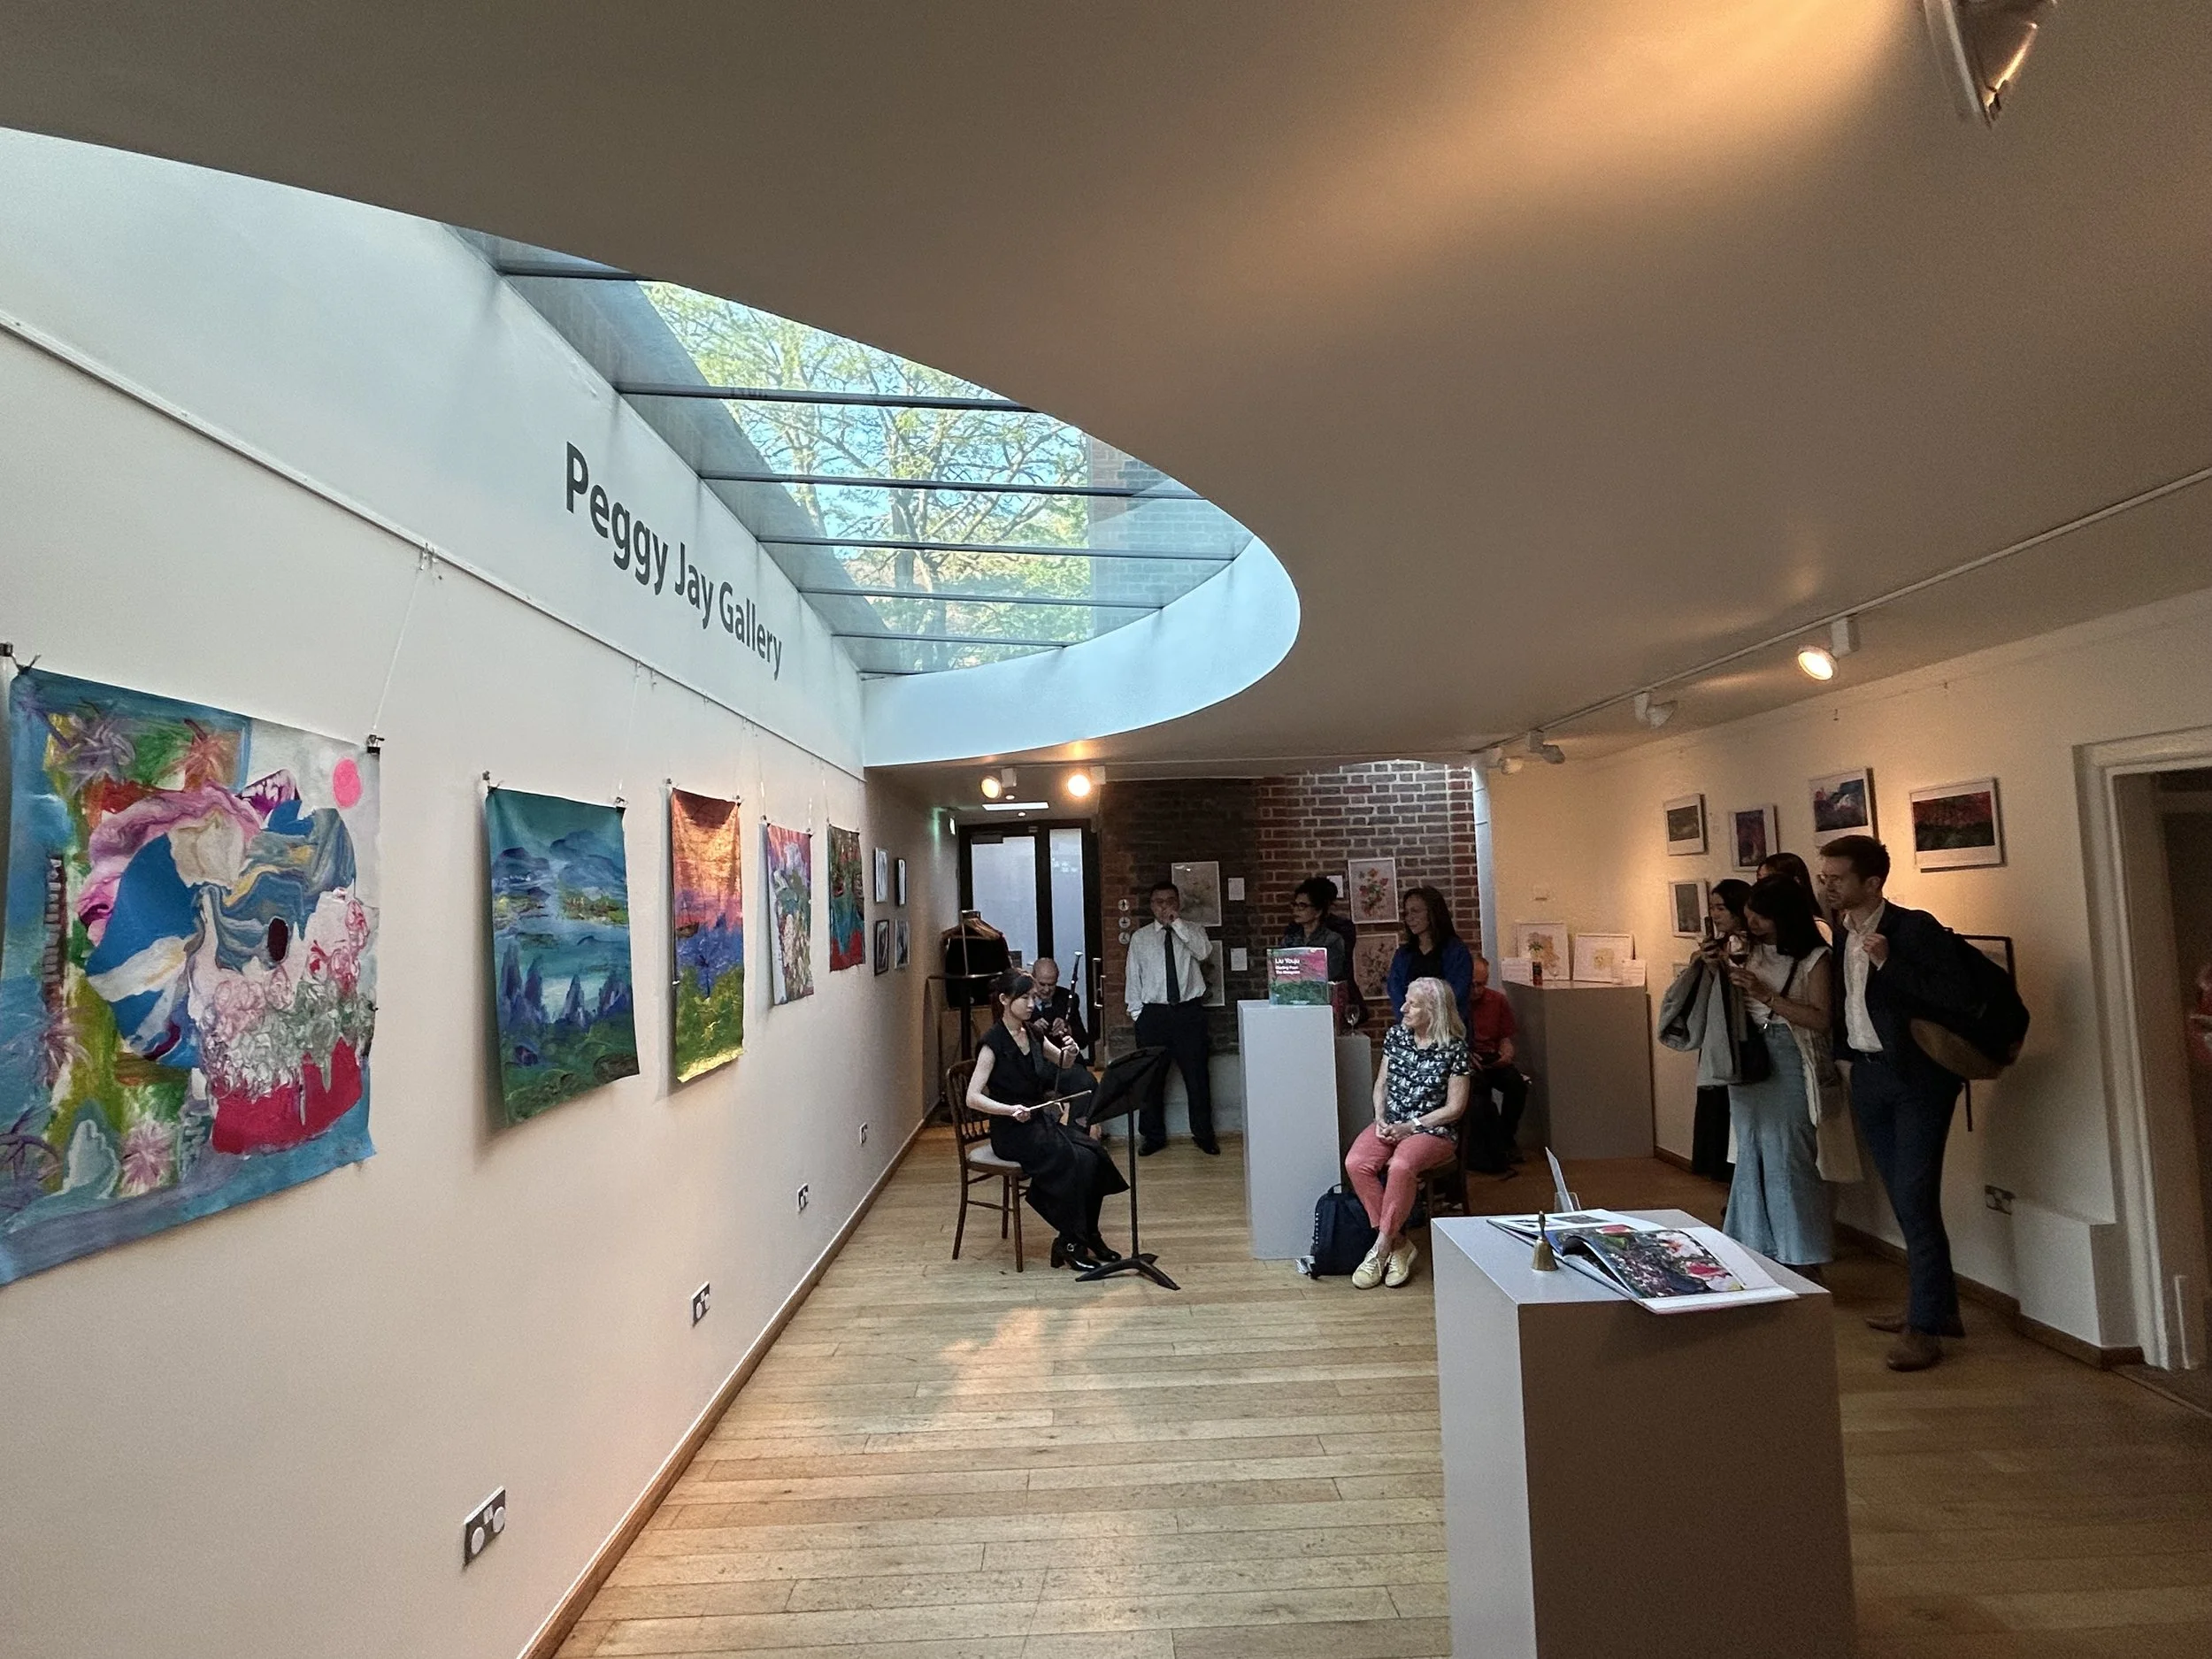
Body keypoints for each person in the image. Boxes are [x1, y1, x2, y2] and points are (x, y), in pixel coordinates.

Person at [1817, 834, 1977, 1371]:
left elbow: (1951, 996)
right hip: (1869, 1076)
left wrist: (1890, 964)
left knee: (1914, 1197)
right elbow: (1847, 1004)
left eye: (1836, 877)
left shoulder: (1916, 928)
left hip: (1917, 1081)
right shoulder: (1842, 933)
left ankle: (1925, 1325)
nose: (1828, 885)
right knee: (1903, 1195)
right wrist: (1843, 1060)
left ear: (1872, 882)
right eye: (1825, 877)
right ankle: (1936, 1307)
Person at [967, 971, 1125, 1271]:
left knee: (1093, 1154)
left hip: (1039, 1123)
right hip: (1012, 1131)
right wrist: (1009, 1109)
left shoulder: (1033, 1034)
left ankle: (1088, 1234)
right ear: (1004, 1000)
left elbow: (1063, 1063)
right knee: (1069, 1158)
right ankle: (1069, 1241)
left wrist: (1071, 1051)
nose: (1031, 1004)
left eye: (1033, 998)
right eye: (1024, 998)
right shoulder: (992, 1043)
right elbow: (972, 1097)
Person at [1718, 876, 1837, 1276]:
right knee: (1750, 1151)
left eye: (1761, 916)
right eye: (1751, 913)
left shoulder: (1814, 956)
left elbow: (1821, 1019)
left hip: (1790, 1055)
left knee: (1790, 1155)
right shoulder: (1741, 948)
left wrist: (1767, 994)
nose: (1751, 922)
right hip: (1747, 1058)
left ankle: (1803, 1256)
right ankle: (1752, 1249)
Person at [1344, 977, 1471, 1289]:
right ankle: (1401, 1245)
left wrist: (1411, 1127)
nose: (1403, 1008)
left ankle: (1381, 1248)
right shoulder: (1396, 1036)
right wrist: (1380, 1118)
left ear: (1434, 1010)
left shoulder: (1455, 1047)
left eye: (1412, 1004)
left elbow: (1455, 1108)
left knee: (1400, 1166)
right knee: (1355, 1163)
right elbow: (1382, 1084)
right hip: (1391, 1123)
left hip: (1432, 1130)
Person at [1124, 879, 1217, 1156]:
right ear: (1152, 906)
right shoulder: (1140, 938)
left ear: (1178, 903)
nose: (1165, 907)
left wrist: (1177, 925)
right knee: (1151, 1079)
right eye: (1159, 902)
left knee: (1197, 1077)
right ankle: (1152, 1137)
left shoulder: (1193, 931)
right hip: (1154, 1015)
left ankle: (1203, 1135)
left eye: (1170, 901)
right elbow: (1133, 977)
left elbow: (1204, 952)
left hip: (1188, 1012)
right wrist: (1137, 1014)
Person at [1690, 879, 1752, 1180]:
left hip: (1741, 1036)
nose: (1715, 914)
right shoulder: (1720, 944)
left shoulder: (1752, 945)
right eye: (1712, 908)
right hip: (1719, 1033)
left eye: (1721, 907)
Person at [1462, 954, 1528, 1173]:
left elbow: (1505, 1037)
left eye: (1481, 984)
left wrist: (1507, 1052)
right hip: (1468, 1060)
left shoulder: (1497, 1001)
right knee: (1479, 1096)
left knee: (1517, 1085)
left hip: (1492, 1056)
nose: (1477, 990)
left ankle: (1505, 1138)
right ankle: (1493, 1148)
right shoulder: (1456, 1003)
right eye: (1472, 984)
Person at [1280, 876, 1365, 1026]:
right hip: (1297, 1004)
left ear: (1318, 911)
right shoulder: (1291, 937)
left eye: (1303, 906)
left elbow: (1329, 973)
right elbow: (1282, 972)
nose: (1296, 910)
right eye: (1295, 905)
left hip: (1328, 1004)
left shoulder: (1335, 937)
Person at [1385, 886, 1473, 1028]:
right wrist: (1412, 1022)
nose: (1410, 918)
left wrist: (1433, 1024)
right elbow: (1396, 993)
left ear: (1433, 913)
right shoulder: (1403, 954)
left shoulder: (1456, 951)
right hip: (1413, 1031)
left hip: (1447, 1030)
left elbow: (1457, 994)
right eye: (1406, 913)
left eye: (1415, 911)